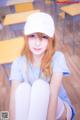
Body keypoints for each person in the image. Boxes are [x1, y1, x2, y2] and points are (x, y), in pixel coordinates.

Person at [9, 12, 75, 120]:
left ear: (51, 39)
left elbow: (53, 96)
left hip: (58, 109)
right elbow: (13, 102)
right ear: (26, 38)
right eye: (32, 36)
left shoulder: (57, 57)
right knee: (23, 89)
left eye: (43, 37)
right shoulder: (18, 62)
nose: (37, 43)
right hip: (34, 111)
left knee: (40, 86)